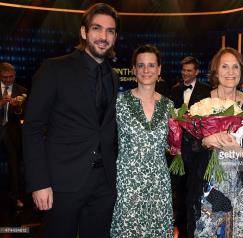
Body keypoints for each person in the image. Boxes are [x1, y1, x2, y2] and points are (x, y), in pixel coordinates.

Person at [23, 3, 119, 238]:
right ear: (84, 32)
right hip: (62, 182)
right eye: (97, 28)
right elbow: (32, 129)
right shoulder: (54, 69)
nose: (103, 36)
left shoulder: (113, 77)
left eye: (110, 31)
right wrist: (39, 182)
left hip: (104, 183)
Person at [185, 47, 243, 237]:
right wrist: (205, 141)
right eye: (224, 66)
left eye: (235, 67)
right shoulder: (202, 102)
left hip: (242, 186)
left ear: (242, 71)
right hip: (209, 186)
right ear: (216, 71)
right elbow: (187, 148)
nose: (230, 72)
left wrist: (241, 150)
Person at [110, 44, 173, 237]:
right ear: (134, 69)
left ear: (159, 69)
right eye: (141, 65)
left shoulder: (169, 106)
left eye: (152, 65)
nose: (146, 70)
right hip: (127, 184)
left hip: (158, 184)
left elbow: (172, 146)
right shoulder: (119, 103)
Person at [170, 56, 210, 238]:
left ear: (196, 72)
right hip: (177, 151)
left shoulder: (206, 91)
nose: (185, 73)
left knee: (195, 193)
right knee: (178, 193)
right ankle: (180, 229)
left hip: (198, 151)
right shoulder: (175, 90)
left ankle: (195, 229)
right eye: (183, 70)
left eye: (189, 71)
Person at [0, 62, 27, 209]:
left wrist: (18, 107)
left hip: (12, 133)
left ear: (15, 75)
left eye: (11, 77)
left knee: (14, 165)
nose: (8, 80)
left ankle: (16, 197)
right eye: (5, 77)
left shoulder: (21, 90)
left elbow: (24, 115)